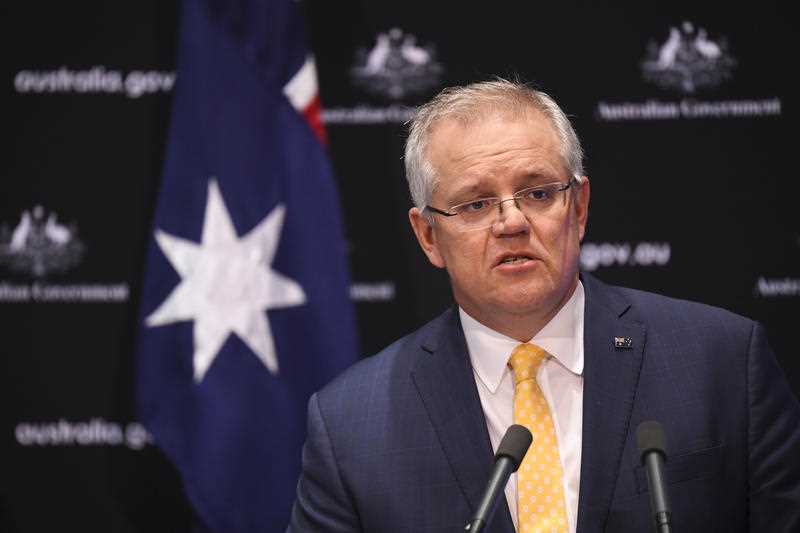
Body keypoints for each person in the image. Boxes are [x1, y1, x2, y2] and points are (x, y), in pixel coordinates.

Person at [287, 79, 800, 532]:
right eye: (476, 204)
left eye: (536, 193)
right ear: (428, 237)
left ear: (578, 208)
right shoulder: (351, 425)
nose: (511, 222)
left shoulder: (722, 363)